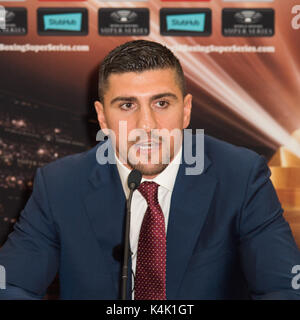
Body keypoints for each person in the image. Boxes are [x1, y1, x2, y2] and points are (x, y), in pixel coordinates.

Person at [0, 40, 300, 300]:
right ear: (102, 118)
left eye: (161, 103)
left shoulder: (241, 176)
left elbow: (284, 287)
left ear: (185, 110)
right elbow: (10, 284)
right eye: (127, 105)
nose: (147, 125)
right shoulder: (59, 185)